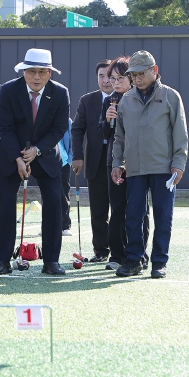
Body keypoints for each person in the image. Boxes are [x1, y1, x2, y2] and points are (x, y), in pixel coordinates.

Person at [0, 48, 70, 276]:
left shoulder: (60, 93)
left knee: (53, 204)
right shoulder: (8, 90)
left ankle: (51, 261)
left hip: (47, 155)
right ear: (23, 72)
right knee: (6, 203)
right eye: (31, 71)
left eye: (42, 72)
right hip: (11, 155)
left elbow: (59, 128)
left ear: (49, 73)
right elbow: (6, 128)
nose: (36, 77)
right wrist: (18, 157)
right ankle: (2, 261)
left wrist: (37, 150)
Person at [112, 50, 188, 279]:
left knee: (163, 216)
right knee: (133, 215)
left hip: (164, 168)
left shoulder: (171, 96)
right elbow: (119, 137)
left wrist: (179, 163)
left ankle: (159, 262)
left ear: (154, 71)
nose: (136, 79)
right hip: (134, 167)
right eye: (133, 75)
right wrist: (117, 163)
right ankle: (133, 260)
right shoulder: (126, 100)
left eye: (141, 74)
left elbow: (180, 133)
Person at [100, 56, 150, 271]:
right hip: (115, 160)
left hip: (139, 161)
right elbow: (104, 134)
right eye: (112, 78)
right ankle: (117, 254)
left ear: (131, 78)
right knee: (117, 208)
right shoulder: (109, 101)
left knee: (139, 209)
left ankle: (139, 254)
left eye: (120, 78)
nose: (115, 82)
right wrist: (107, 119)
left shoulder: (140, 98)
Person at [71, 59, 112, 262]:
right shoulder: (88, 100)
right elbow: (77, 129)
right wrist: (77, 156)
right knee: (98, 209)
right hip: (95, 159)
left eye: (109, 76)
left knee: (120, 207)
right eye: (101, 76)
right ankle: (101, 250)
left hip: (119, 159)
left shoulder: (127, 98)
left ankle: (121, 250)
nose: (106, 81)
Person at [58, 118, 73, 236]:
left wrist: (69, 160)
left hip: (63, 161)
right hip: (47, 161)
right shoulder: (44, 116)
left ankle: (65, 225)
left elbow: (72, 141)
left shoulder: (67, 121)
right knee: (47, 194)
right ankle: (47, 224)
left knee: (64, 193)